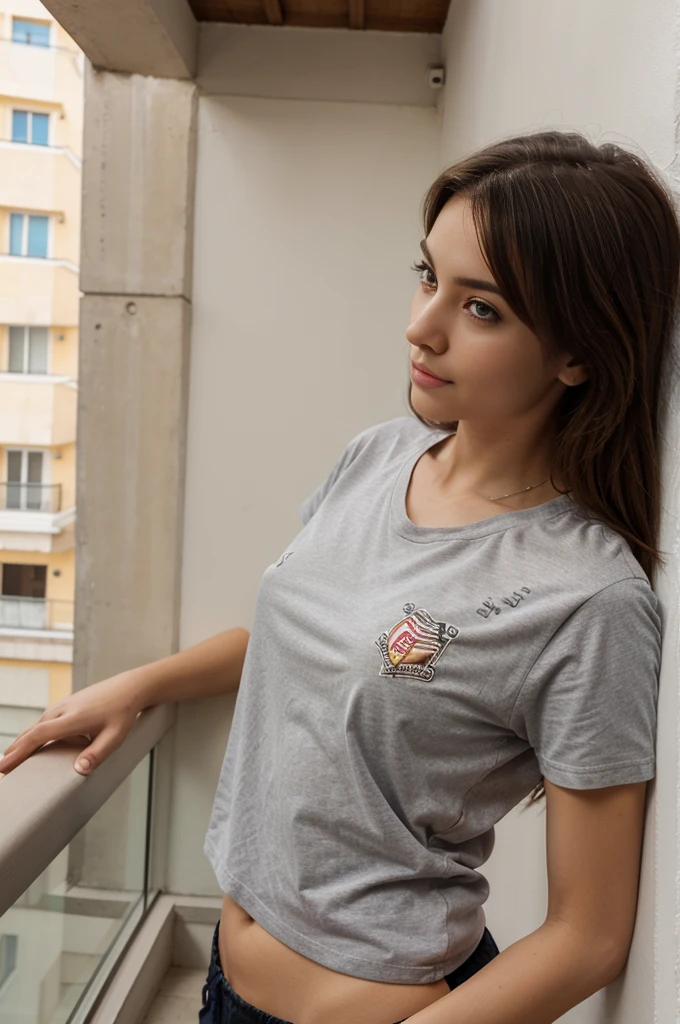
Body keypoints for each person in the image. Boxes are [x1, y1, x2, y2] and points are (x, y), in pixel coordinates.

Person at [1, 129, 678, 1024]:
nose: (420, 325)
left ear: (578, 353)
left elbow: (590, 935)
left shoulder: (590, 598)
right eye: (428, 276)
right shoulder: (380, 454)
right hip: (225, 977)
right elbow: (314, 637)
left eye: (483, 309)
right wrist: (141, 683)